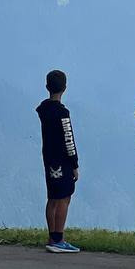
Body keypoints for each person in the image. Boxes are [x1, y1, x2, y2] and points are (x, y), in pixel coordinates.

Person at [37, 69, 81, 253]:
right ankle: (58, 238)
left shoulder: (44, 110)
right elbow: (68, 139)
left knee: (52, 197)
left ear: (47, 86)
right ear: (65, 88)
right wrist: (75, 163)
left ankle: (51, 236)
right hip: (63, 160)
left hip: (49, 158)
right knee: (64, 197)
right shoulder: (62, 113)